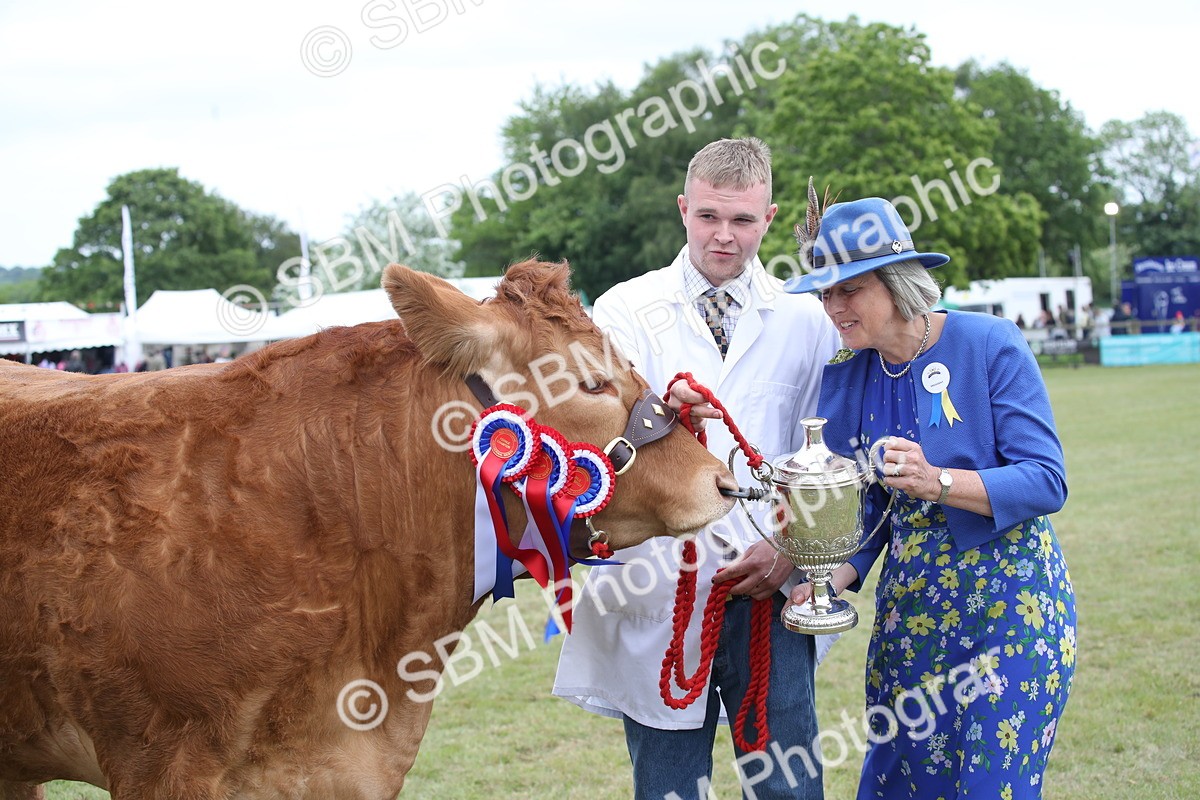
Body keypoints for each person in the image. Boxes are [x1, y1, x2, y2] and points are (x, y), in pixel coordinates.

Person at [553, 138, 839, 799]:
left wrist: (790, 556)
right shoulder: (625, 309)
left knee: (788, 784)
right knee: (670, 785)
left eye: (742, 220)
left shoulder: (807, 317)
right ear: (684, 209)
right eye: (709, 216)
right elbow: (600, 448)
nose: (724, 236)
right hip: (660, 583)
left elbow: (824, 459)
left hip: (769, 584)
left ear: (768, 220)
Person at [782, 197, 1076, 799]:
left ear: (897, 282)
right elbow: (864, 515)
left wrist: (938, 481)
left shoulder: (990, 344)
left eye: (849, 290)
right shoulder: (847, 375)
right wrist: (822, 580)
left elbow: (1047, 479)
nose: (833, 308)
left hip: (1010, 611)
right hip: (910, 621)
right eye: (825, 294)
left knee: (992, 786)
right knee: (901, 786)